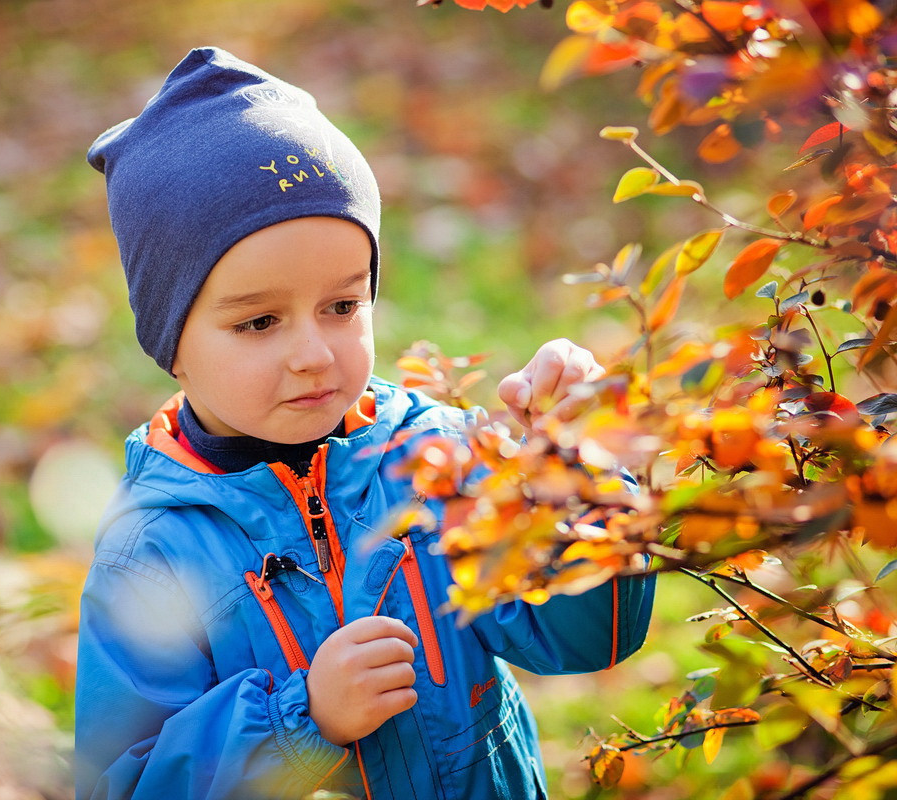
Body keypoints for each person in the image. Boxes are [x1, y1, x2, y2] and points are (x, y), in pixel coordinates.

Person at [75, 46, 655, 800]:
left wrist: (576, 472)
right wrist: (299, 720)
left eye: (343, 306)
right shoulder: (150, 553)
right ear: (169, 343)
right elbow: (125, 783)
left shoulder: (439, 459)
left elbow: (591, 638)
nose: (315, 355)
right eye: (258, 322)